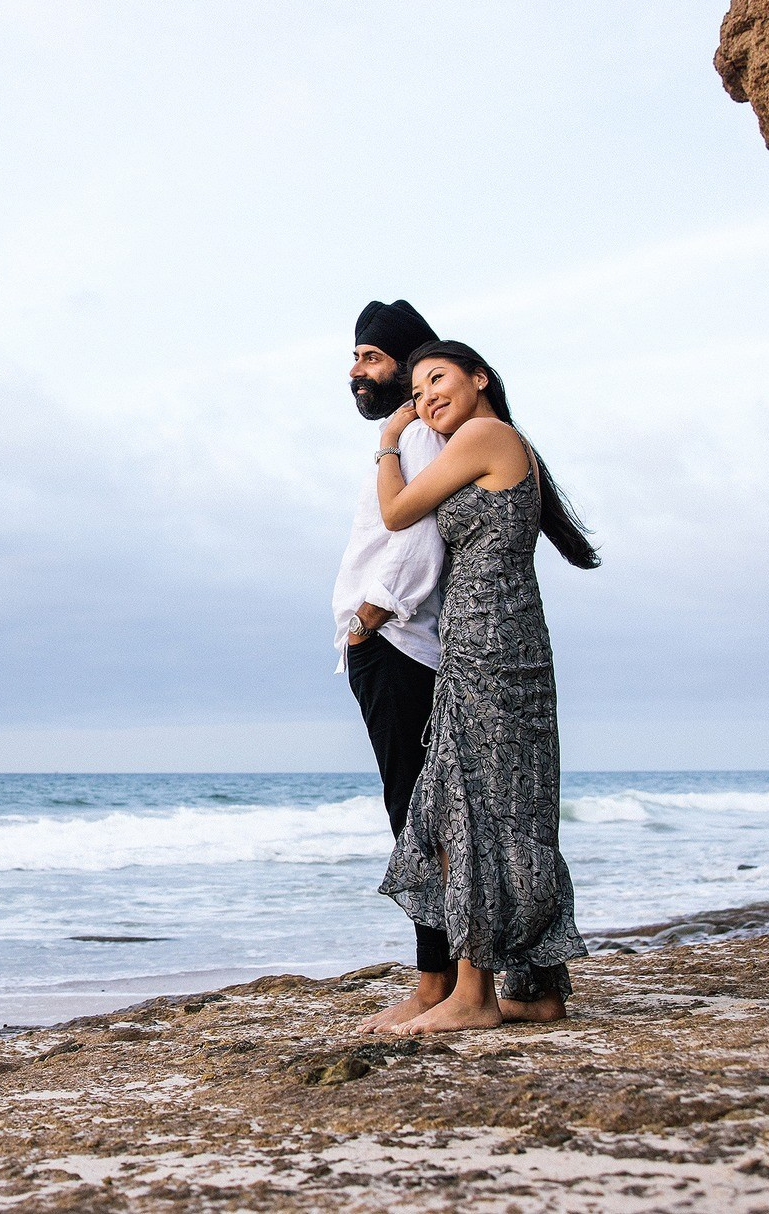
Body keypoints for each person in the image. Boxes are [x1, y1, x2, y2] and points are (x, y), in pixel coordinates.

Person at [372, 339, 600, 1034]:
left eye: (437, 379)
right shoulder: (495, 441)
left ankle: (473, 996)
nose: (426, 397)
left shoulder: (483, 433)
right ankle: (534, 989)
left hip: (488, 638)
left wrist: (389, 438)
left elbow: (397, 512)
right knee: (506, 808)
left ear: (480, 377)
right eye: (416, 390)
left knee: (468, 806)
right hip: (502, 633)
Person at [330, 299, 458, 1031]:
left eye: (370, 357)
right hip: (394, 646)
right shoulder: (406, 434)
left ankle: (433, 981)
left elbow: (416, 539)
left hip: (399, 646)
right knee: (418, 814)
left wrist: (370, 620)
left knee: (413, 817)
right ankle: (438, 974)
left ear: (407, 363)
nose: (356, 372)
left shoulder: (414, 439)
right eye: (355, 358)